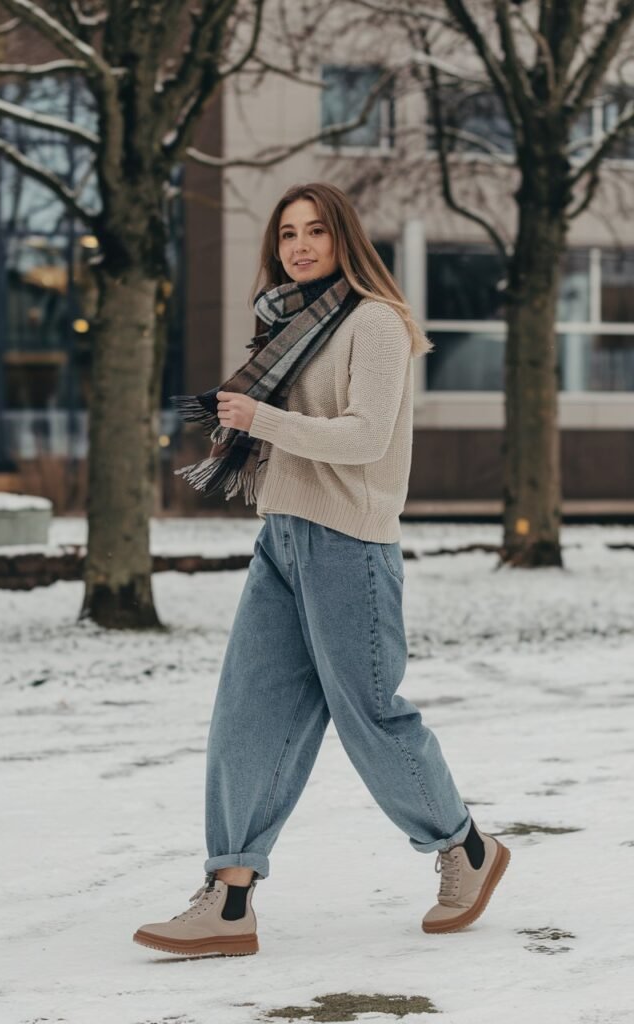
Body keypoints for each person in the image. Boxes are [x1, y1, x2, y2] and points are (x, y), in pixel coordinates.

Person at [133, 182, 510, 958]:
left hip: (350, 544)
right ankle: (229, 896)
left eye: (315, 232)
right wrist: (259, 436)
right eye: (287, 235)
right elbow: (304, 434)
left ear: (344, 239)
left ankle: (464, 849)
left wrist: (260, 418)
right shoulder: (290, 325)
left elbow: (365, 438)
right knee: (248, 712)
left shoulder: (374, 322)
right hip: (285, 537)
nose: (299, 246)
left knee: (369, 714)